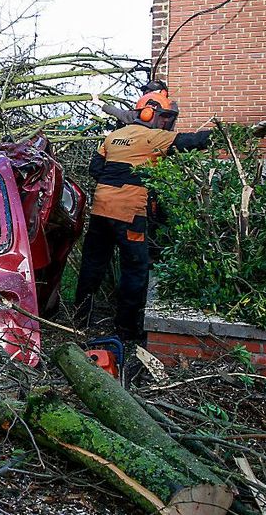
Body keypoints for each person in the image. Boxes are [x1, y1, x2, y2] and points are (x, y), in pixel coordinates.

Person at [73, 90, 211, 342]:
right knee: (135, 269)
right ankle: (126, 330)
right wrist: (224, 136)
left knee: (92, 265)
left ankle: (79, 319)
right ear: (150, 114)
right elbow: (192, 141)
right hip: (129, 213)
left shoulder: (113, 137)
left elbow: (95, 169)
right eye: (164, 117)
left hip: (101, 210)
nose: (166, 123)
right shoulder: (153, 137)